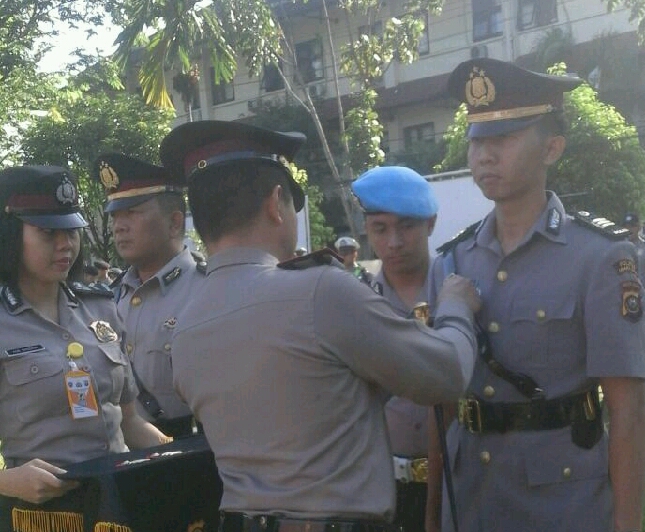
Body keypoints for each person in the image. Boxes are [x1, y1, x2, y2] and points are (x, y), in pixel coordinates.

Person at [159, 119, 482, 531]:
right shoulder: (320, 293)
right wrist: (455, 308)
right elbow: (446, 373)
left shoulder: (184, 329)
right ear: (276, 203)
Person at [425, 58, 645, 532]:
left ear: (551, 148)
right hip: (472, 500)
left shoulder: (599, 258)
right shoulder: (451, 261)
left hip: (563, 505)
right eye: (477, 140)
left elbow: (627, 411)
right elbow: (441, 410)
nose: (485, 156)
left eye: (503, 139)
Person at [0, 165, 167, 531]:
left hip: (118, 505)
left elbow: (129, 420)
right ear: (11, 234)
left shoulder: (100, 307)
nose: (66, 244)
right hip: (44, 514)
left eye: (71, 230)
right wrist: (7, 481)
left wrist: (179, 452)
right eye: (48, 233)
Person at [92, 152, 206, 438]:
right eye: (115, 215)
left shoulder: (207, 289)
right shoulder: (108, 299)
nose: (119, 226)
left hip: (190, 450)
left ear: (174, 222)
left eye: (132, 212)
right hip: (121, 452)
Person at [351, 165, 440, 532]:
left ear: (431, 224)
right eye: (380, 229)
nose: (394, 242)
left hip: (459, 482)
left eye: (407, 226)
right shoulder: (355, 304)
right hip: (380, 489)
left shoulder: (459, 292)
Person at [623, 212, 645, 389]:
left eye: (632, 226)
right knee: (627, 340)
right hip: (624, 297)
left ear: (638, 227)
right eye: (626, 226)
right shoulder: (618, 249)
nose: (629, 229)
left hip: (642, 296)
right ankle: (631, 377)